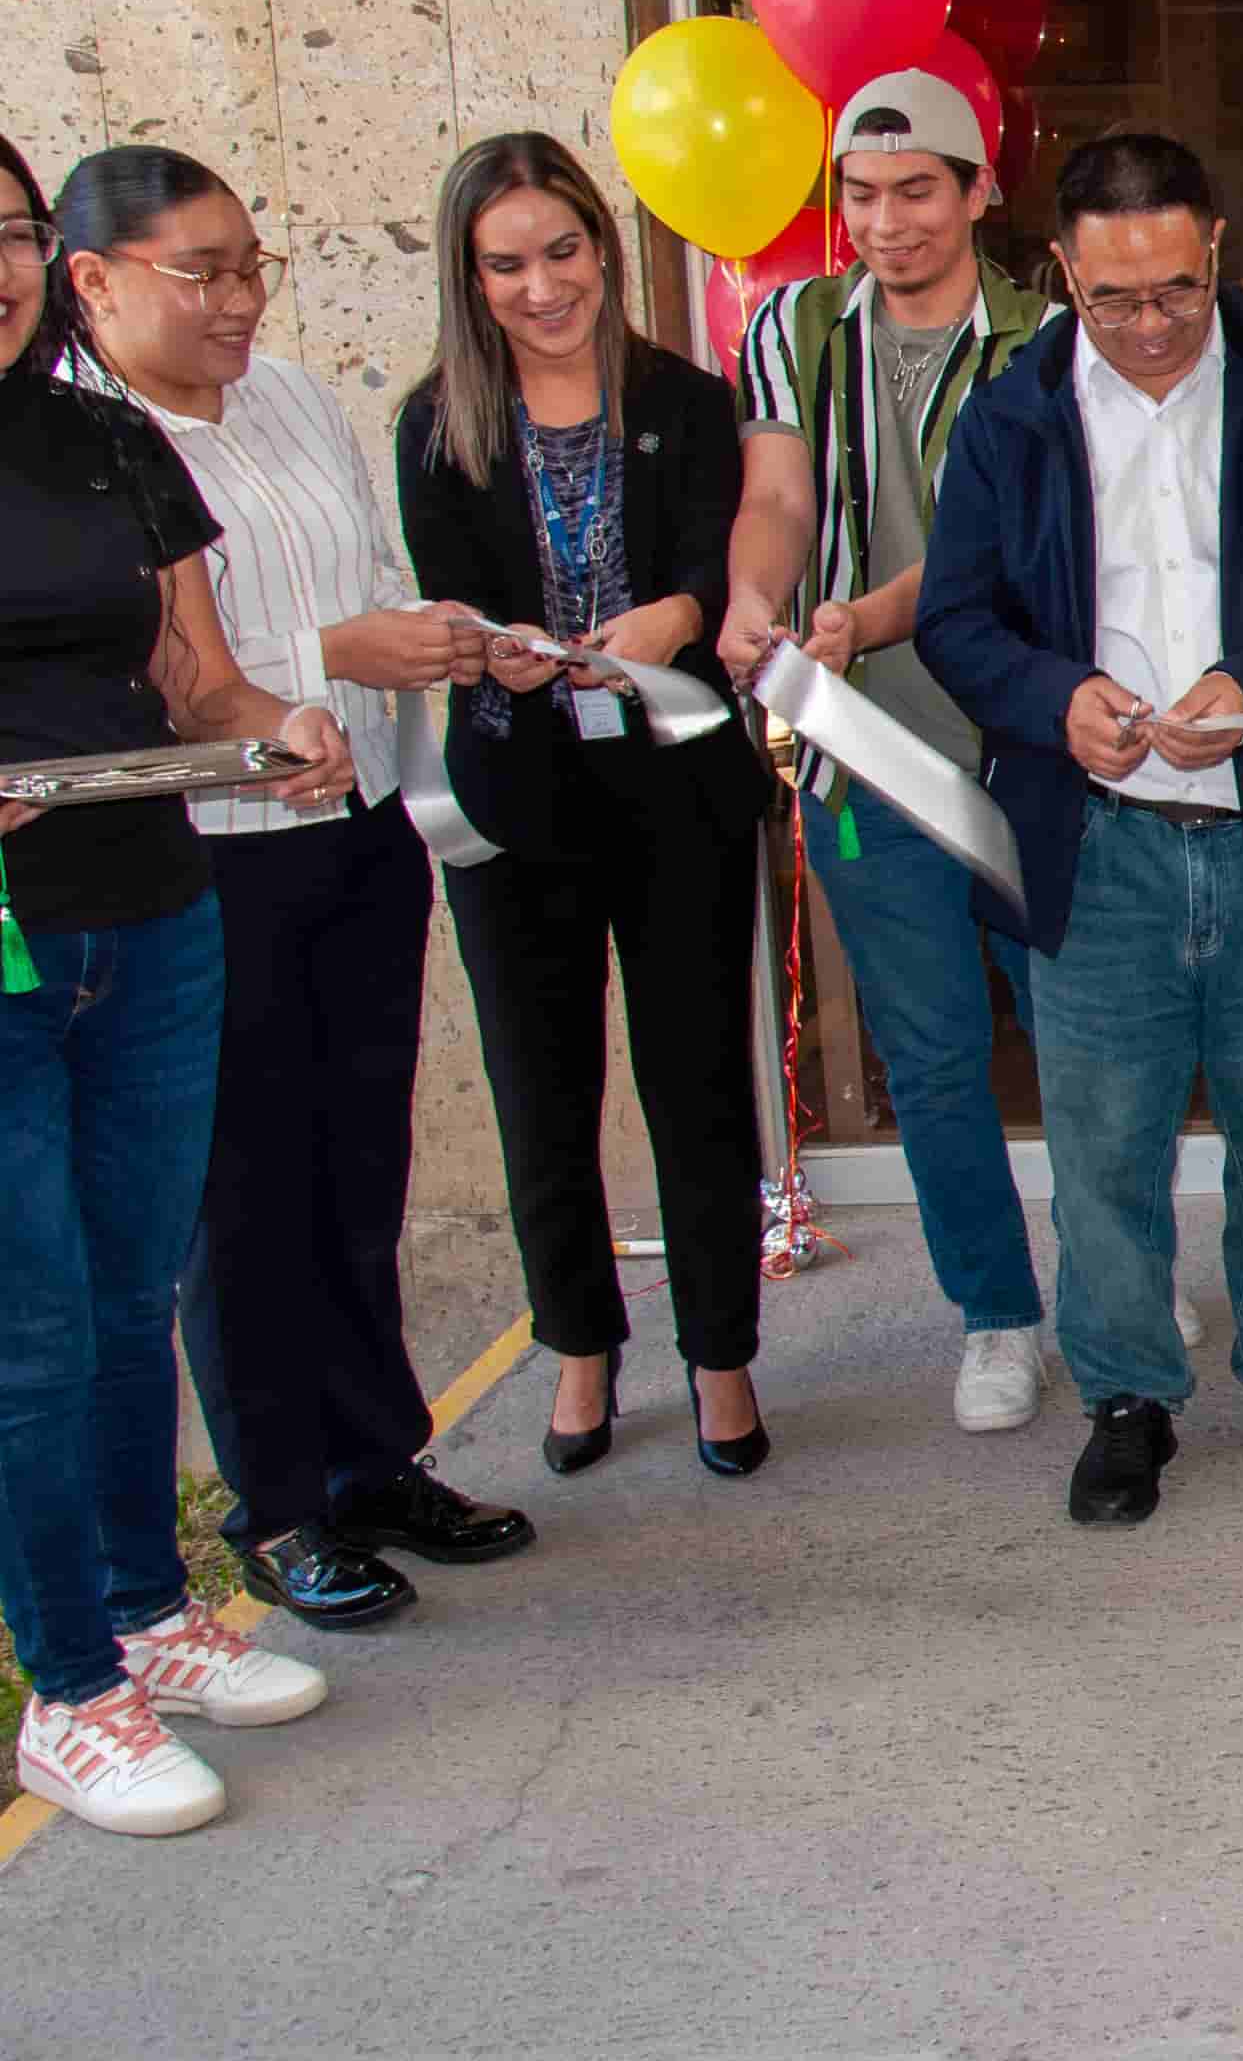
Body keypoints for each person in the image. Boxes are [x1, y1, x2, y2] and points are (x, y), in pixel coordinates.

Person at [56, 149, 530, 1635]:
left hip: (362, 825)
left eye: (254, 263)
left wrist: (451, 634)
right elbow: (149, 667)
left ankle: (378, 1458)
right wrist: (343, 655)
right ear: (95, 280)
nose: (241, 300)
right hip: (210, 851)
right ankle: (278, 1502)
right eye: (203, 274)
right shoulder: (78, 445)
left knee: (354, 1171)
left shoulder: (292, 397)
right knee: (242, 1194)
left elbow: (374, 573)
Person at [922, 133, 1243, 1527]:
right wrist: (1055, 697)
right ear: (1063, 268)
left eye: (1175, 292)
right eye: (1113, 296)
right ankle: (1127, 1394)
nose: (1146, 325)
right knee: (1103, 1145)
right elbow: (956, 618)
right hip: (1097, 834)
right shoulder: (1009, 420)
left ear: (1218, 252)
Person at [3, 129, 357, 1838]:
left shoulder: (102, 443)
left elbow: (196, 677)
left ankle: (151, 1614)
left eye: (2, 230)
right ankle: (67, 1688)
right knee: (32, 1330)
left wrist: (278, 731)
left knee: (134, 1289)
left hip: (149, 909)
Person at [398, 132, 779, 1482]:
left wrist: (673, 614)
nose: (542, 285)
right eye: (506, 263)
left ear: (604, 248)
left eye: (563, 250)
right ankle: (578, 1344)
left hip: (677, 788)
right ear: (470, 275)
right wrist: (488, 640)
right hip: (514, 792)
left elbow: (702, 565)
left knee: (697, 1079)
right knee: (540, 1090)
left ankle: (720, 1350)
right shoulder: (436, 419)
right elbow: (448, 589)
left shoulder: (683, 393)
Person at [722, 69, 1064, 1434]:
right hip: (864, 757)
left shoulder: (1050, 335)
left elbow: (1003, 544)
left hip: (1036, 747)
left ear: (979, 190)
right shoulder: (792, 324)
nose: (884, 220)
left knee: (1089, 1039)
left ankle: (1120, 1275)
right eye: (857, 194)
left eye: (915, 190)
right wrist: (758, 595)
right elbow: (777, 490)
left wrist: (866, 613)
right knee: (930, 1056)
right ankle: (997, 1314)